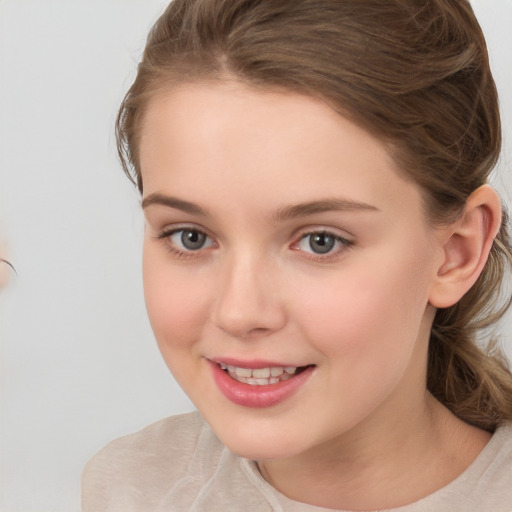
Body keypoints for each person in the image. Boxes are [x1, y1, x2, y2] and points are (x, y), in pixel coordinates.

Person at [81, 0, 512, 510]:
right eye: (190, 237)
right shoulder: (131, 488)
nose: (239, 313)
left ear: (455, 253)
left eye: (320, 241)